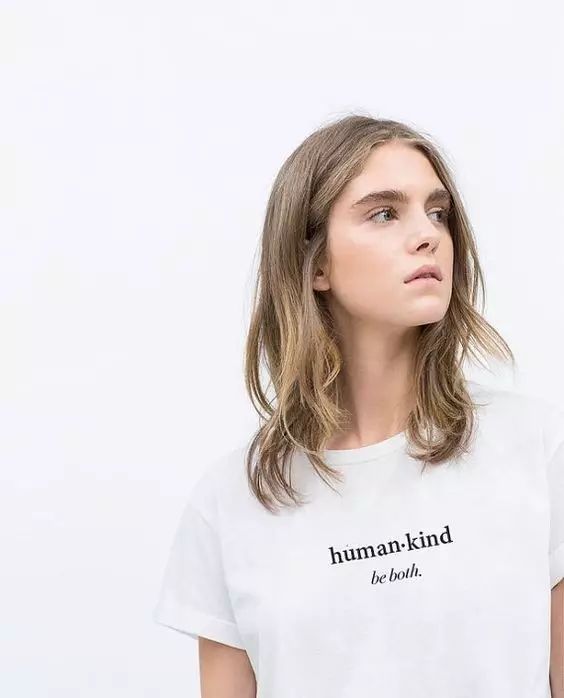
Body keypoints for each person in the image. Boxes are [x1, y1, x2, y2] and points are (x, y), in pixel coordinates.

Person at [153, 114, 564, 698]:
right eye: (384, 213)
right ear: (315, 263)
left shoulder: (537, 448)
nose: (427, 234)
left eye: (437, 212)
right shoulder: (233, 500)